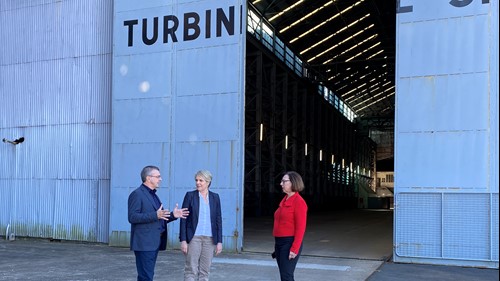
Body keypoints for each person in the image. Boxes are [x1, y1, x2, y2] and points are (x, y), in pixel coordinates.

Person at [128, 165, 190, 281]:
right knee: (145, 277)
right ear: (148, 178)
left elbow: (159, 218)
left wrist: (173, 215)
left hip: (153, 242)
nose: (160, 179)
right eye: (158, 176)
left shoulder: (153, 195)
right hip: (144, 244)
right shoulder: (137, 194)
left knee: (148, 275)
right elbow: (132, 217)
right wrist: (155, 215)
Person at [179, 170, 223, 281]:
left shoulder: (215, 197)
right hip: (194, 238)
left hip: (210, 239)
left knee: (205, 270)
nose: (198, 183)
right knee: (191, 269)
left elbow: (218, 220)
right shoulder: (190, 196)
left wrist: (219, 242)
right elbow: (183, 219)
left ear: (208, 182)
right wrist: (183, 240)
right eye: (196, 180)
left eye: (201, 180)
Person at [272, 171, 308, 281]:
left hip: (289, 243)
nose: (281, 184)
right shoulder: (285, 200)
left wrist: (294, 248)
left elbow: (300, 228)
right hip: (279, 243)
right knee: (285, 275)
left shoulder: (299, 202)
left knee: (286, 276)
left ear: (293, 182)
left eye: (284, 181)